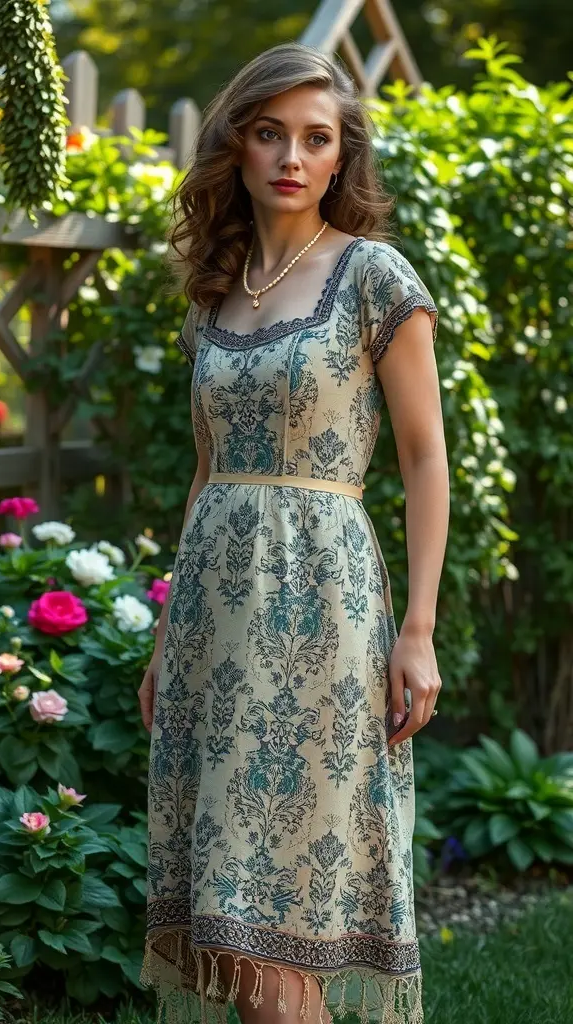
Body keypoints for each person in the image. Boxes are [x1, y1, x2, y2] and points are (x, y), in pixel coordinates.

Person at [138, 40, 448, 1024]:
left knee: (282, 933)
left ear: (340, 157)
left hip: (322, 612)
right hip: (214, 624)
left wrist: (420, 630)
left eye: (317, 139)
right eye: (270, 133)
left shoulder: (373, 276)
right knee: (232, 918)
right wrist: (164, 639)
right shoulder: (215, 292)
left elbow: (424, 457)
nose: (291, 157)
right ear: (237, 145)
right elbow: (205, 473)